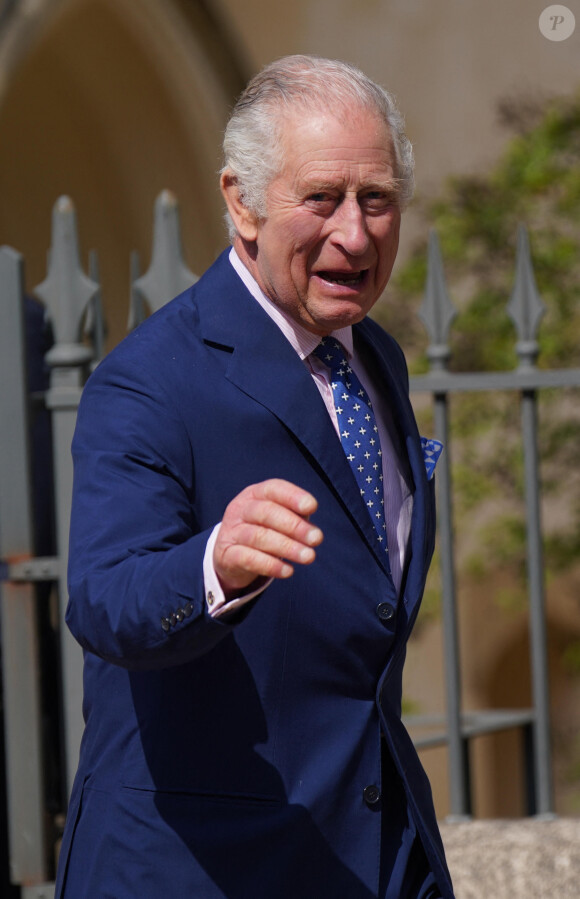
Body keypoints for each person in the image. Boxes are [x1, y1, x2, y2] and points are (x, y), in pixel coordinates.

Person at [55, 55, 454, 898]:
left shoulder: (374, 355)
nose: (355, 233)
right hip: (204, 868)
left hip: (373, 856)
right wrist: (215, 563)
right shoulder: (150, 378)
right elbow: (104, 597)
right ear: (241, 202)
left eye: (377, 200)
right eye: (323, 199)